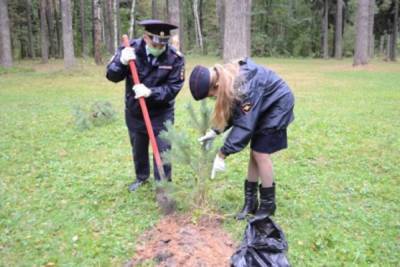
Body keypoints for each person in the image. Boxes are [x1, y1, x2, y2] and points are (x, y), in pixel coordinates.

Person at [188, 58, 294, 221]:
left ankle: (267, 206)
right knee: (255, 153)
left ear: (215, 86)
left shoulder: (244, 86)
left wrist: (222, 153)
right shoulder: (226, 79)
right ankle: (250, 203)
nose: (213, 99)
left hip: (277, 104)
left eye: (211, 96)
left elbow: (244, 125)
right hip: (262, 104)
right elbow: (235, 111)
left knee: (261, 153)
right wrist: (215, 131)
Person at [106, 19, 185, 192]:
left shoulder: (175, 58)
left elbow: (173, 87)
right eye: (154, 45)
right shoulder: (129, 49)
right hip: (135, 110)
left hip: (161, 112)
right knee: (138, 147)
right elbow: (111, 75)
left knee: (163, 149)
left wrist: (151, 92)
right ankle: (141, 177)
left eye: (161, 46)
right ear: (146, 38)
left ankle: (163, 184)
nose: (158, 49)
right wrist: (121, 62)